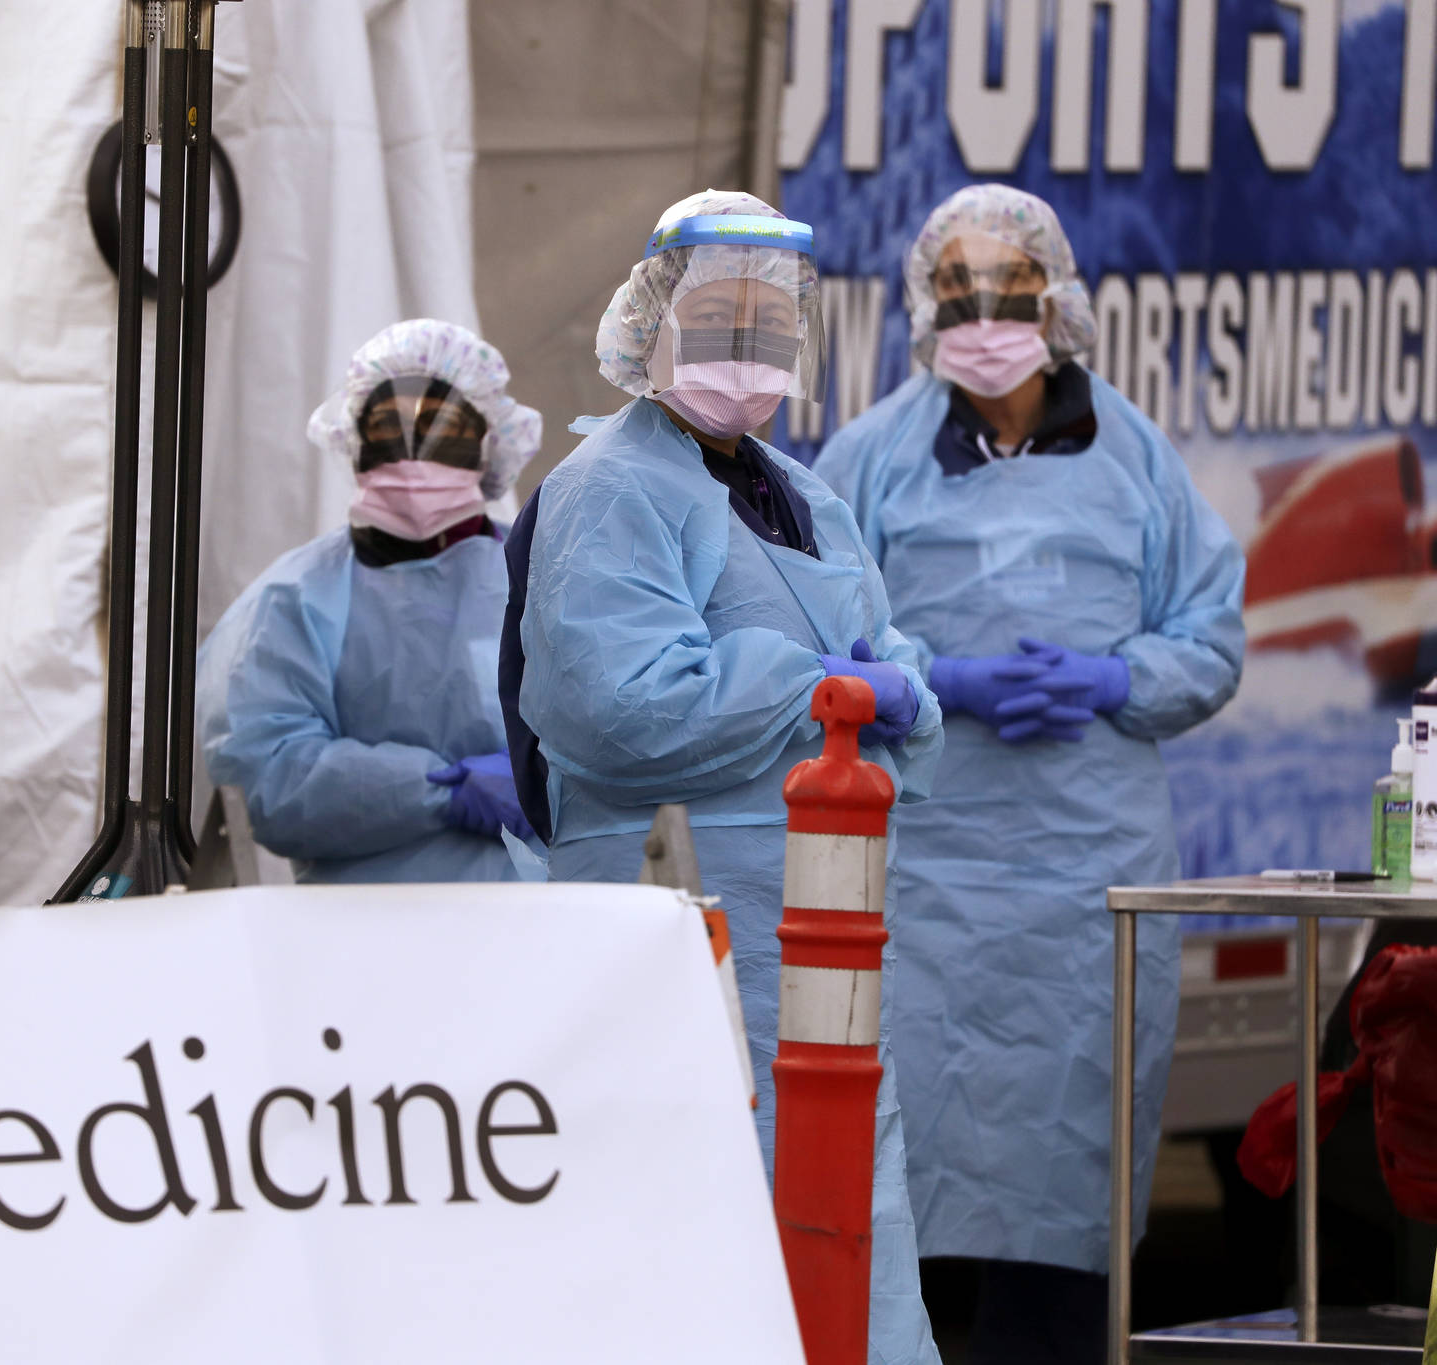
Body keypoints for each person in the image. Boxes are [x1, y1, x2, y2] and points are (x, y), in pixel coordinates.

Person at [499, 189, 947, 1364]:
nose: (744, 341)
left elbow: (902, 677)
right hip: (677, 918)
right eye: (715, 313)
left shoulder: (809, 496)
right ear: (647, 323)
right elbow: (624, 709)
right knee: (688, 1245)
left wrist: (886, 690)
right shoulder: (607, 492)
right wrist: (815, 686)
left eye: (766, 316)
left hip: (820, 928)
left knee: (847, 1237)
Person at [814, 184, 1245, 1365]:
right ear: (922, 307)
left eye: (1007, 290)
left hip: (1083, 900)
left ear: (1054, 303)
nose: (983, 313)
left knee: (1064, 1198)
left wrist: (1115, 682)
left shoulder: (1137, 461)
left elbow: (1209, 639)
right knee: (904, 1190)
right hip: (921, 896)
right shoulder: (871, 461)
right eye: (957, 291)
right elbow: (808, 639)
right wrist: (933, 679)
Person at [196, 319, 541, 883]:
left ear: (490, 447)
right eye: (386, 427)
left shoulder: (545, 579)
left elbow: (623, 721)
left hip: (561, 923)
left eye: (441, 427)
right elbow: (267, 777)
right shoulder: (292, 601)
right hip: (365, 936)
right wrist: (438, 791)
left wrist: (555, 778)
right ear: (353, 445)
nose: (411, 453)